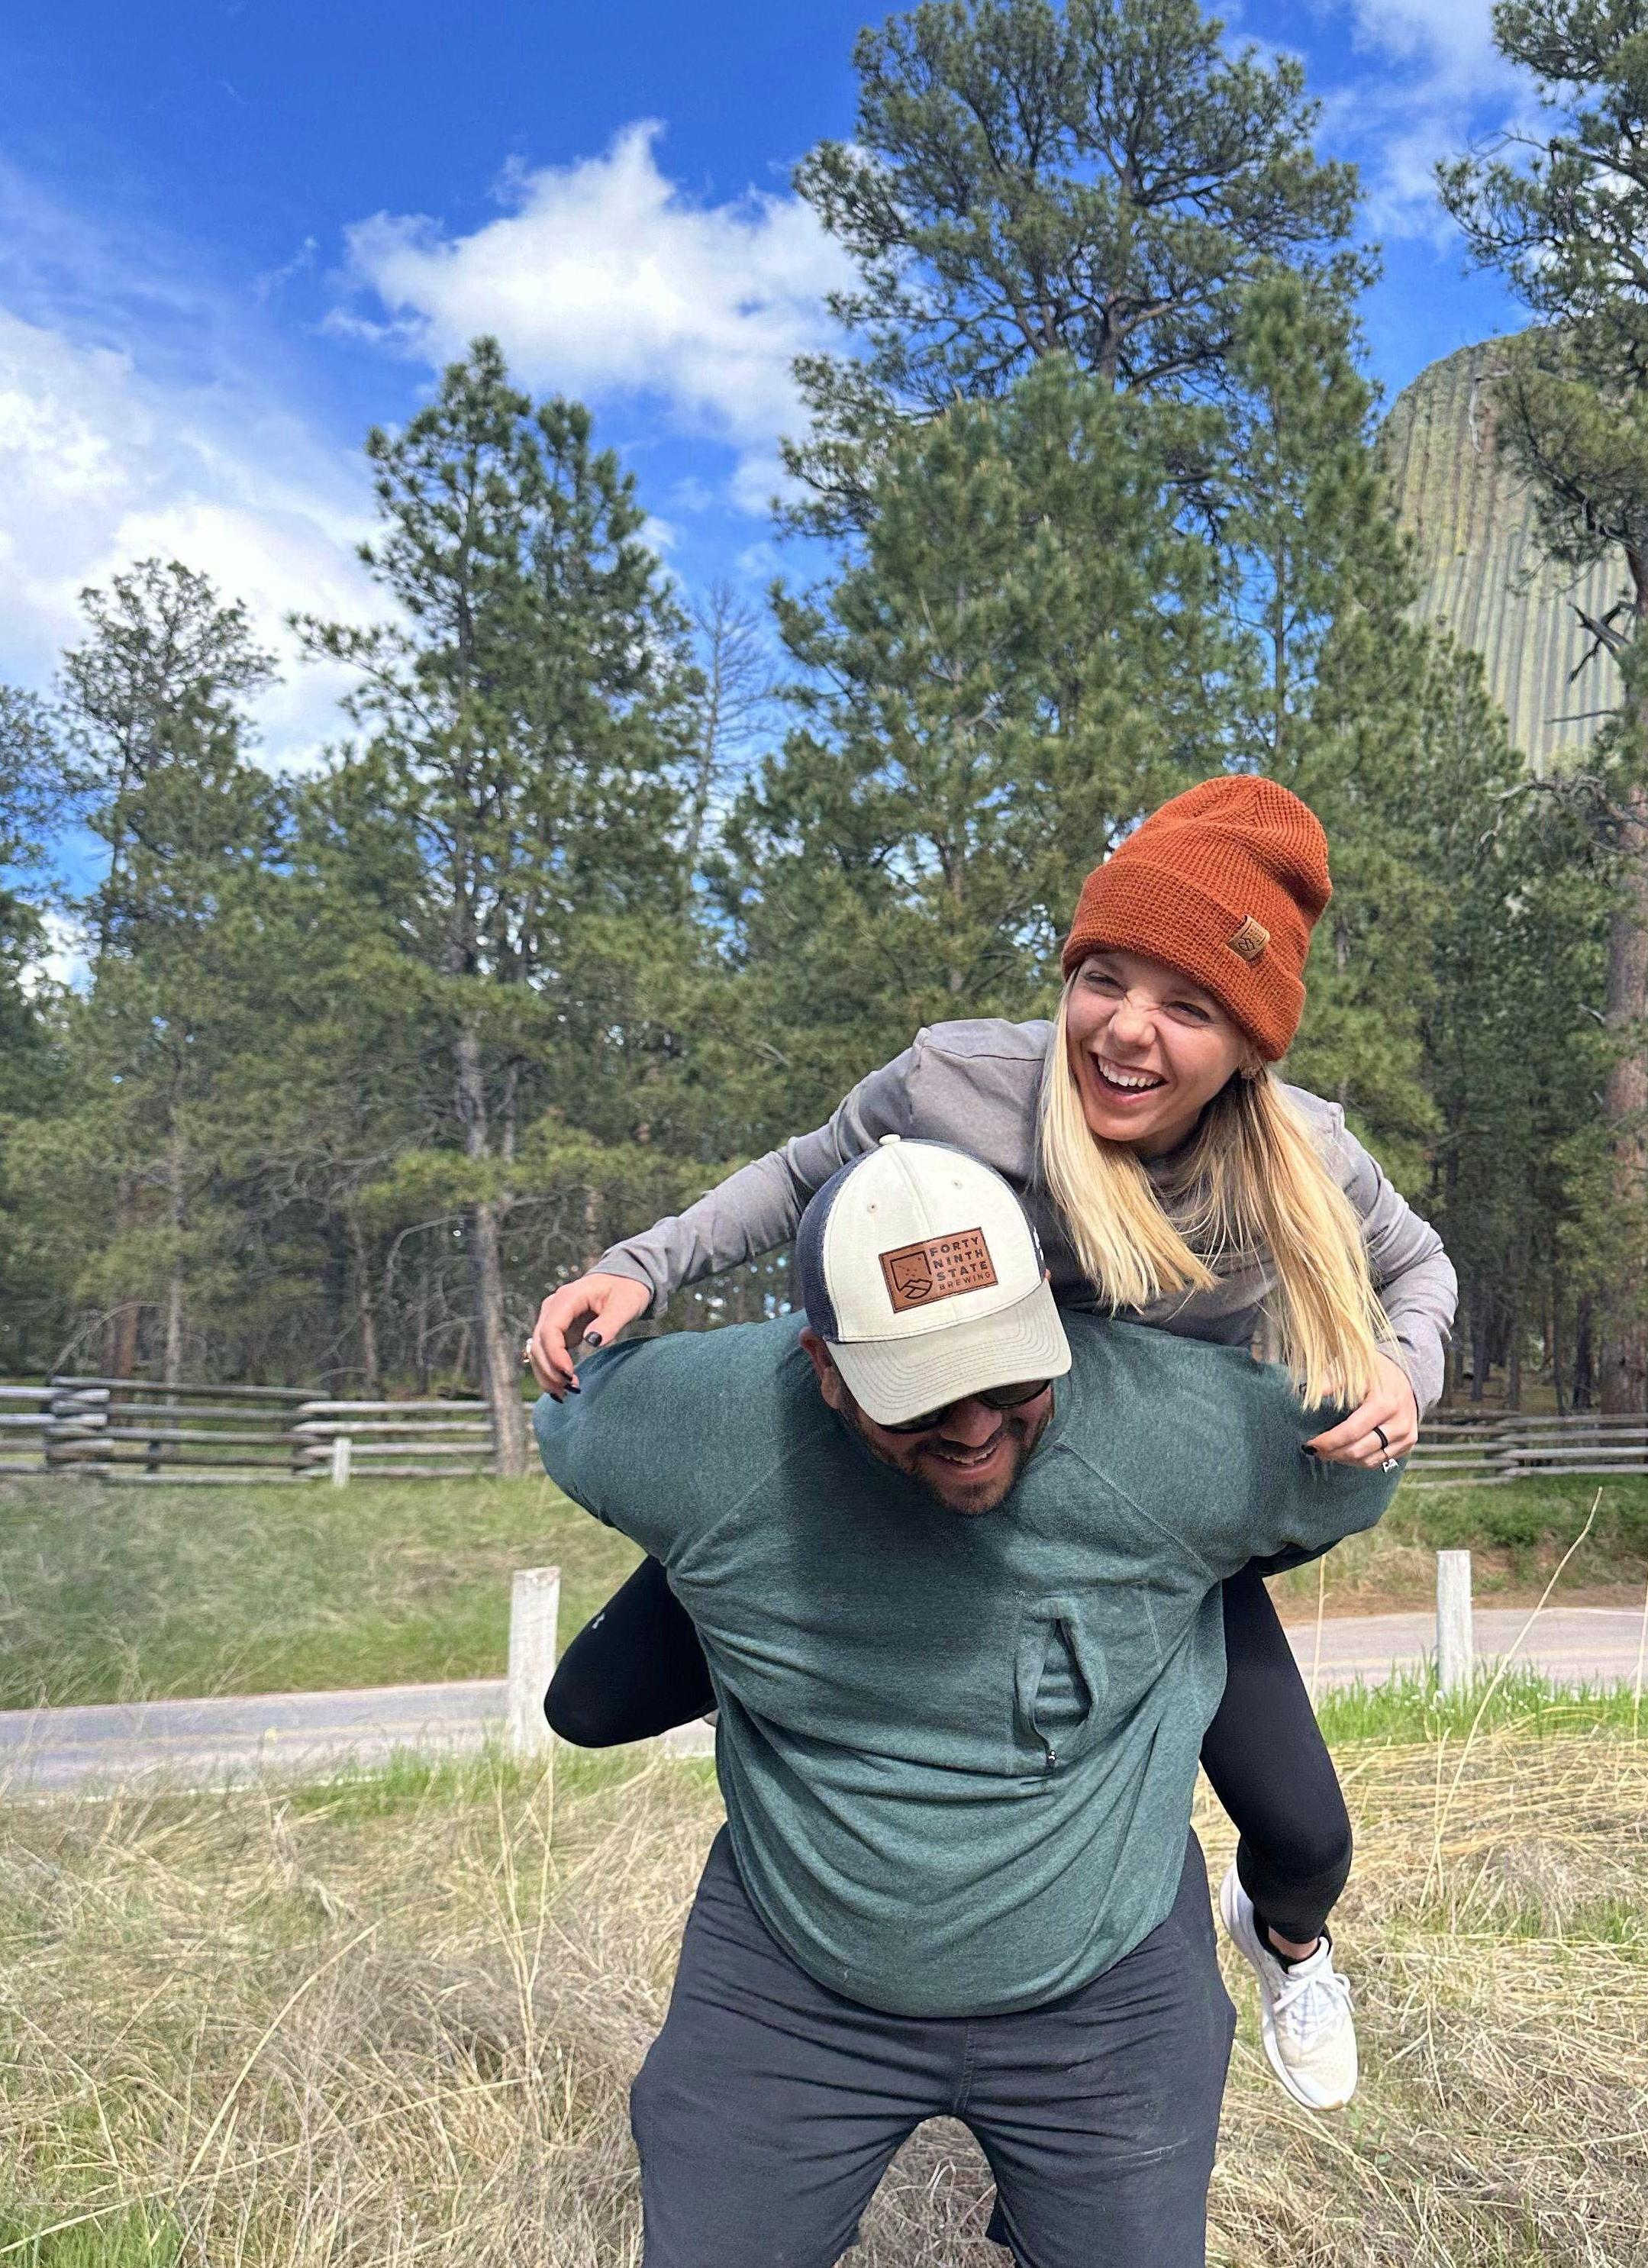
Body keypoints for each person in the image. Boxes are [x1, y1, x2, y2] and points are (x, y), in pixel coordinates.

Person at [527, 774, 1455, 2110]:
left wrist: (1404, 1368)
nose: (1126, 1034)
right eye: (1104, 980)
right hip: (905, 1450)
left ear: (1248, 1044)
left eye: (1186, 1007)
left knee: (1306, 1829)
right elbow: (801, 1175)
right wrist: (647, 1264)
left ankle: (1289, 1949)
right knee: (593, 1704)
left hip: (1141, 1521)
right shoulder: (961, 1085)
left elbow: (1416, 1268)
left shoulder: (1301, 1157)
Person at [534, 1137, 1398, 2268]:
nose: (975, 1429)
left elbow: (1362, 1458)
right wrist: (725, 1554)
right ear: (823, 1364)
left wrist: (1168, 1567)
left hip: (1107, 1984)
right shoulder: (685, 1431)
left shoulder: (1179, 1431)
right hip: (791, 1980)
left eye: (1009, 1377)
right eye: (916, 1399)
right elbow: (569, 1406)